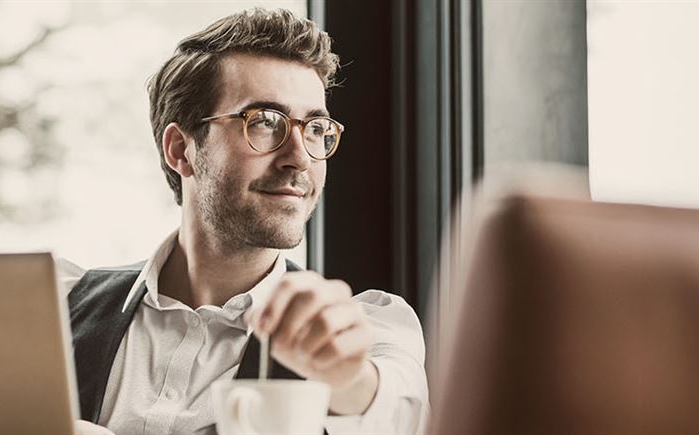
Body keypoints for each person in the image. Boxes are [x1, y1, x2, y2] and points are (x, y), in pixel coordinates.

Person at [62, 8, 428, 435]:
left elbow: (400, 413)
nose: (299, 158)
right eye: (265, 122)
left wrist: (349, 379)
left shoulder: (368, 328)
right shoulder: (58, 306)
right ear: (181, 149)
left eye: (315, 128)